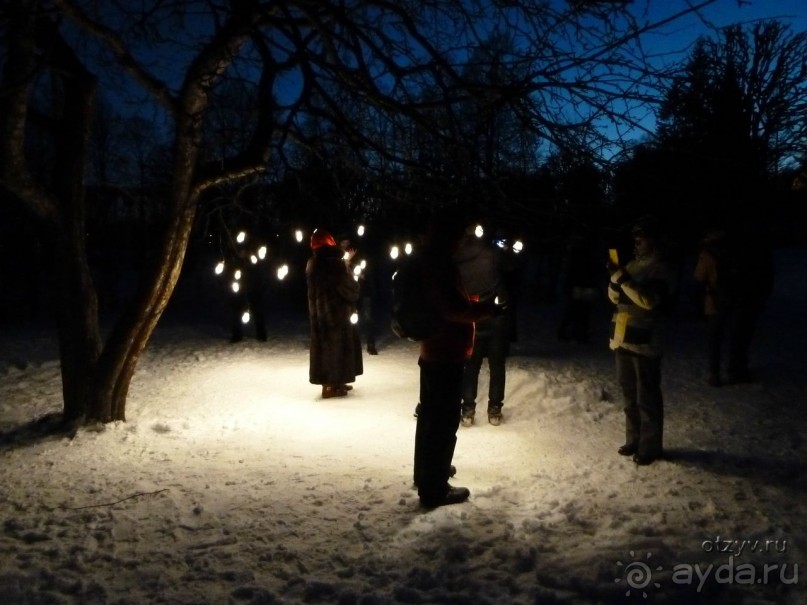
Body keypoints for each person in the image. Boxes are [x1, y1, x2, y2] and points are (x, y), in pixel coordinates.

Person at [413, 210, 497, 508]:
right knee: (443, 419)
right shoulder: (440, 263)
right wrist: (484, 311)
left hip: (434, 350)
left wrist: (471, 303)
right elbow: (450, 309)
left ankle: (427, 473)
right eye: (460, 235)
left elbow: (447, 303)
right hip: (445, 352)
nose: (464, 241)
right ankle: (434, 487)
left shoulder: (431, 259)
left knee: (431, 416)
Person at [606, 216, 676, 466]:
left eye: (641, 240)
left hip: (646, 341)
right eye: (635, 240)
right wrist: (616, 281)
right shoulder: (633, 265)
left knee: (646, 396)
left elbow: (649, 300)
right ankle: (633, 439)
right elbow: (616, 299)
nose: (636, 244)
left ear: (653, 242)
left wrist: (623, 280)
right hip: (624, 337)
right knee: (629, 395)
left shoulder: (661, 268)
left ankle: (650, 446)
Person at [693, 225, 773, 385]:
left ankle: (714, 374)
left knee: (715, 339)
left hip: (715, 302)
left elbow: (699, 277)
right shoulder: (742, 250)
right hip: (740, 301)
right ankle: (736, 371)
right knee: (738, 338)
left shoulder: (708, 253)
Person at [454, 223, 511, 426]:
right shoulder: (492, 254)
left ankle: (468, 409)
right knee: (497, 365)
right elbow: (507, 273)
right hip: (494, 314)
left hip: (471, 315)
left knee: (471, 365)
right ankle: (494, 409)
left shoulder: (457, 258)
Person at [306, 229, 363, 399]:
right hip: (337, 314)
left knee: (326, 348)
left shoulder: (313, 262)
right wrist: (355, 285)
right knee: (337, 348)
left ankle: (335, 382)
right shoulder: (334, 263)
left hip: (319, 315)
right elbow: (348, 288)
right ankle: (331, 385)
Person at [339, 236, 379, 355]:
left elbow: (366, 268)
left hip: (363, 291)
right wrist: (347, 261)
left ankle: (370, 344)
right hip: (349, 293)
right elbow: (339, 272)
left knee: (367, 318)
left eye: (347, 241)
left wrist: (362, 274)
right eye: (343, 241)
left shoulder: (358, 253)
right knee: (350, 319)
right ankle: (350, 344)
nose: (346, 244)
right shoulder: (338, 256)